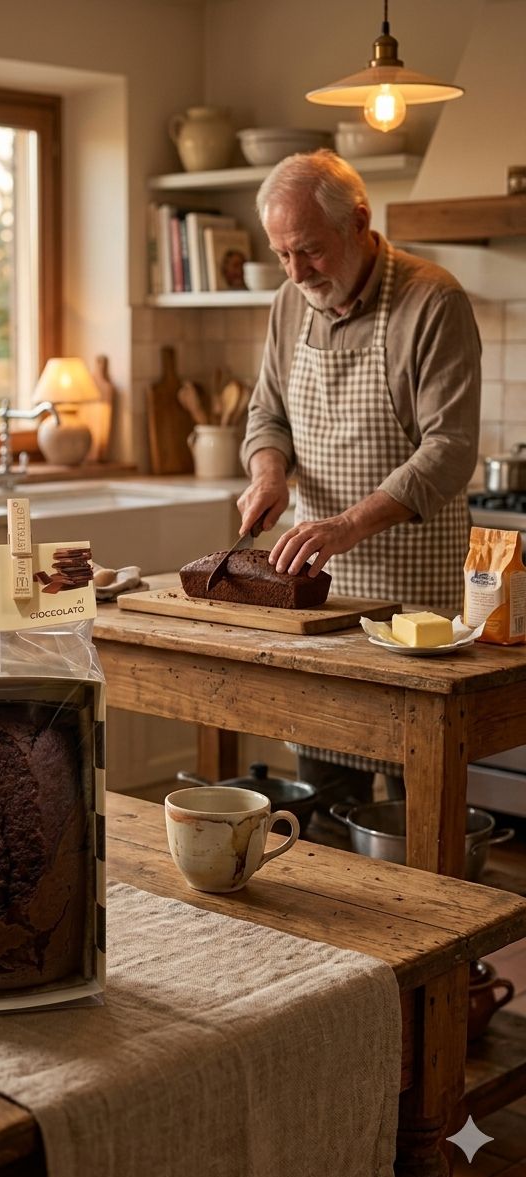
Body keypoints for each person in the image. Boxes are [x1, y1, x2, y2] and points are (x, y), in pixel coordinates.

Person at [237, 148, 480, 807]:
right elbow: (267, 415)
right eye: (282, 255)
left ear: (360, 223)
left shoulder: (433, 300)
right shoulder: (290, 303)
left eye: (310, 251)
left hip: (415, 601)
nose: (296, 272)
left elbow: (451, 449)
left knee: (419, 799)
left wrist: (348, 524)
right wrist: (269, 473)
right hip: (321, 595)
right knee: (322, 797)